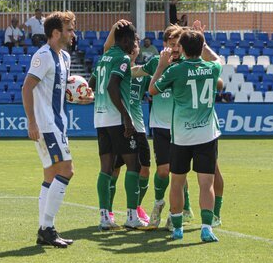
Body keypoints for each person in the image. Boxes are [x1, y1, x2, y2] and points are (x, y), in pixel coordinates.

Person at [22, 10, 93, 248]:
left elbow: (58, 91)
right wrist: (31, 122)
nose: (74, 34)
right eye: (70, 29)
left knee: (51, 176)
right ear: (56, 33)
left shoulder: (64, 57)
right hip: (47, 124)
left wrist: (79, 98)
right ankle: (47, 227)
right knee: (67, 170)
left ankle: (45, 231)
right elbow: (27, 88)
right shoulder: (43, 56)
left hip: (57, 123)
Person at [148, 21, 222, 242]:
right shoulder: (212, 68)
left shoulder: (176, 70)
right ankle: (206, 227)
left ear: (183, 48)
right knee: (205, 183)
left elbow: (152, 90)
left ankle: (178, 228)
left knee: (178, 182)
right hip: (206, 135)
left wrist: (161, 66)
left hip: (181, 136)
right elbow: (218, 60)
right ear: (200, 48)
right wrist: (204, 42)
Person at [131, 25, 194, 229]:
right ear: (165, 44)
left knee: (179, 172)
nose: (175, 48)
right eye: (171, 44)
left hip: (181, 126)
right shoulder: (155, 63)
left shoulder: (186, 64)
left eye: (178, 44)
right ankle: (158, 205)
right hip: (160, 126)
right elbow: (135, 72)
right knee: (164, 171)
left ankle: (178, 212)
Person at [89, 23, 149, 230]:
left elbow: (91, 84)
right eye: (133, 40)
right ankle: (132, 216)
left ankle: (105, 217)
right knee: (134, 166)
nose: (134, 45)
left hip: (100, 119)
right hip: (116, 120)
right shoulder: (122, 58)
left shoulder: (102, 58)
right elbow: (112, 86)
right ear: (125, 40)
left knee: (106, 169)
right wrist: (127, 117)